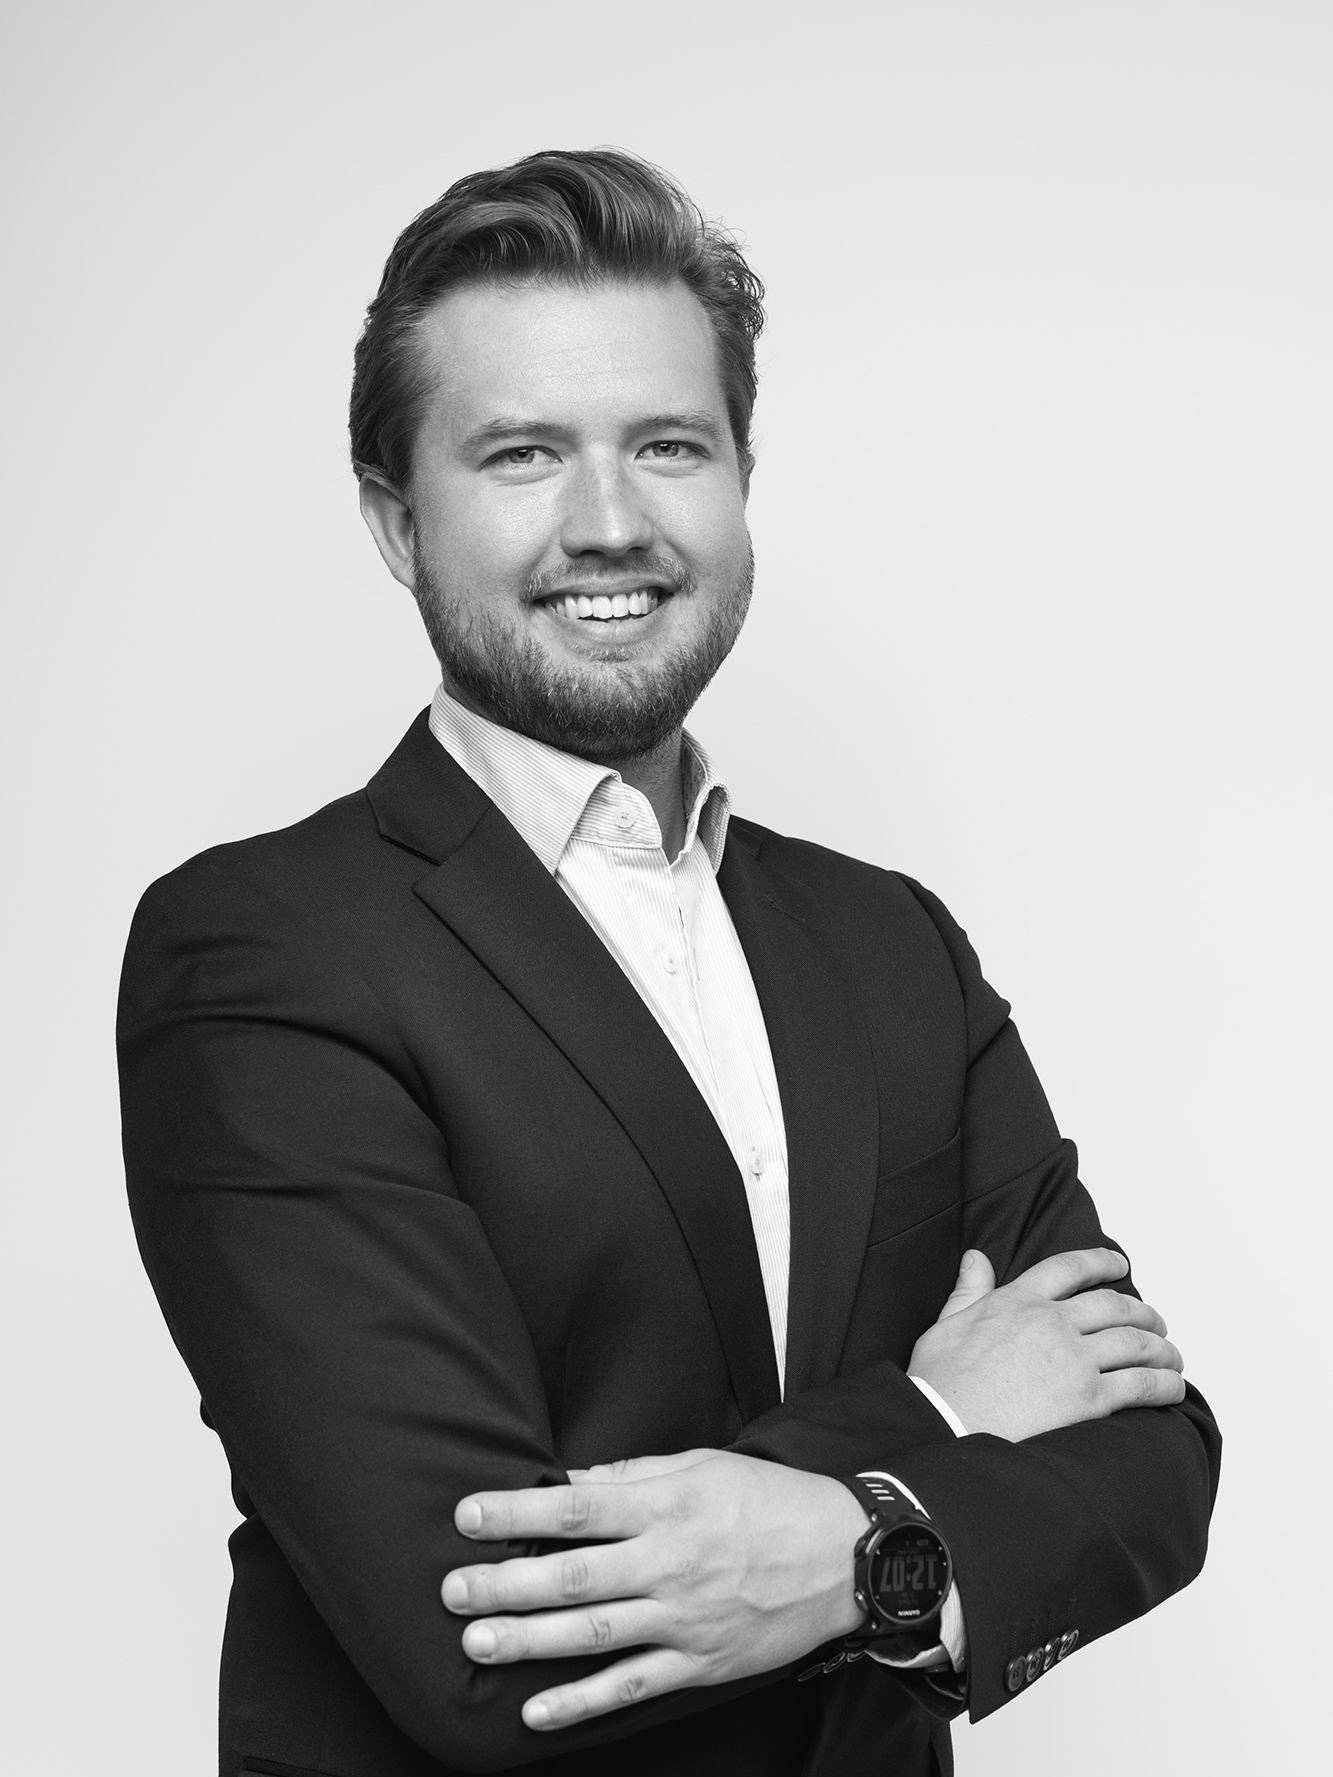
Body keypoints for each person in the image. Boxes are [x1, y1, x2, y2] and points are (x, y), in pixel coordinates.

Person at [118, 148, 1220, 1777]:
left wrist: (833, 1546)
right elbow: (484, 1636)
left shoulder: (888, 941)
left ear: (738, 479)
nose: (611, 522)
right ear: (396, 522)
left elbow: (1148, 1449)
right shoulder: (262, 952)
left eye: (667, 445)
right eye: (521, 453)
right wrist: (932, 1425)